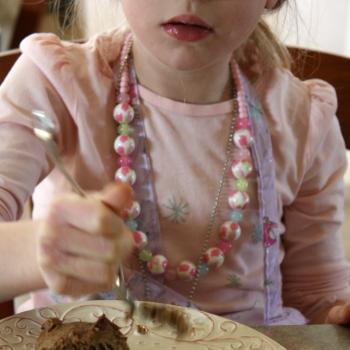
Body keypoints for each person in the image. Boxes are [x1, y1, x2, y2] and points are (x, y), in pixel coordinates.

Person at [0, 0, 349, 326]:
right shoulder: (54, 86)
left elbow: (316, 295)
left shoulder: (303, 122)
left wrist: (337, 314)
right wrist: (40, 249)